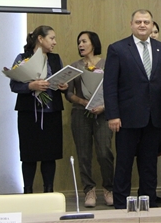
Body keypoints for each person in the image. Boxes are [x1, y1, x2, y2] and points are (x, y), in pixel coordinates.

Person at [104, 9, 161, 208]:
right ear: (131, 24)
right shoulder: (118, 49)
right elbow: (110, 85)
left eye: (146, 22)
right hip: (126, 118)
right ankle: (121, 204)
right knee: (124, 164)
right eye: (138, 22)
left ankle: (149, 202)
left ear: (152, 25)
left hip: (154, 118)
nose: (143, 25)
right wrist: (113, 115)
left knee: (149, 165)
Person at [9, 25, 68, 193]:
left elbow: (60, 82)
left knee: (50, 155)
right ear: (40, 39)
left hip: (52, 113)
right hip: (29, 113)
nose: (55, 42)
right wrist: (31, 85)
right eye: (52, 38)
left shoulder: (56, 59)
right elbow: (14, 85)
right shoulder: (22, 58)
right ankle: (27, 191)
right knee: (29, 154)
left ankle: (48, 190)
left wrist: (63, 86)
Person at [65, 31, 114, 207]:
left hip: (103, 114)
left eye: (84, 41)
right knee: (83, 154)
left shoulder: (108, 64)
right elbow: (69, 93)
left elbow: (114, 89)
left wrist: (104, 106)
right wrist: (83, 101)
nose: (80, 45)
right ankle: (89, 190)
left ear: (93, 43)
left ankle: (109, 188)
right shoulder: (74, 66)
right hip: (80, 113)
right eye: (79, 42)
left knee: (104, 152)